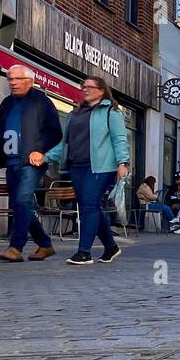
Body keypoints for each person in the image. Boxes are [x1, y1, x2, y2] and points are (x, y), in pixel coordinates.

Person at [44, 76, 131, 267]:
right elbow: (64, 143)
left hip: (101, 167)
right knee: (90, 207)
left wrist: (123, 163)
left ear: (101, 90)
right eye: (83, 86)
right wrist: (45, 157)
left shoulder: (111, 112)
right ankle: (111, 247)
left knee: (89, 206)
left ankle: (84, 252)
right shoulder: (74, 114)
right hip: (77, 167)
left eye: (90, 87)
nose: (85, 89)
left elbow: (119, 139)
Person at [0, 65, 64, 263]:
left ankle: (16, 248)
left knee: (22, 201)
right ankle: (45, 244)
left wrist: (40, 149)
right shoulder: (6, 103)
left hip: (31, 162)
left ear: (30, 81)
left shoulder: (41, 102)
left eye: (17, 79)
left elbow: (55, 132)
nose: (12, 83)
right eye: (10, 79)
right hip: (12, 161)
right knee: (20, 204)